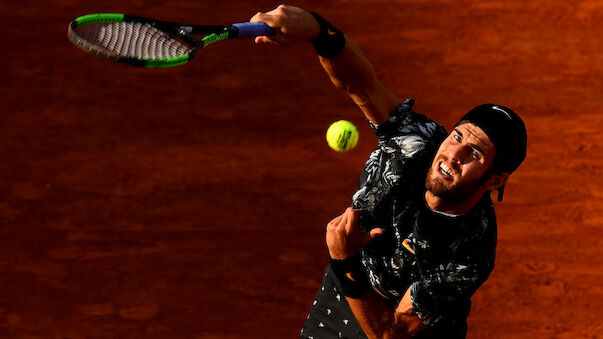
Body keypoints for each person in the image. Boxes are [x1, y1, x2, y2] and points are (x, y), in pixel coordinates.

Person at [251, 5, 527, 339]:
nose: (453, 153)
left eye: (475, 152)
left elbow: (391, 334)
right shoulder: (419, 143)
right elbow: (362, 86)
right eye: (457, 136)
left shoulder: (471, 250)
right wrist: (317, 31)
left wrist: (344, 260)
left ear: (495, 180)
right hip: (340, 302)